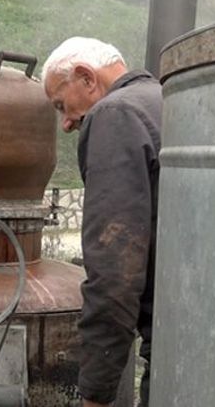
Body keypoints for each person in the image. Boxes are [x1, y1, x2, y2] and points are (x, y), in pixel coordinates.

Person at [41, 37, 162, 407]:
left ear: (86, 77)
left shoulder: (115, 115)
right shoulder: (164, 98)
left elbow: (115, 272)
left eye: (61, 104)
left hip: (178, 344)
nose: (64, 124)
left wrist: (96, 393)